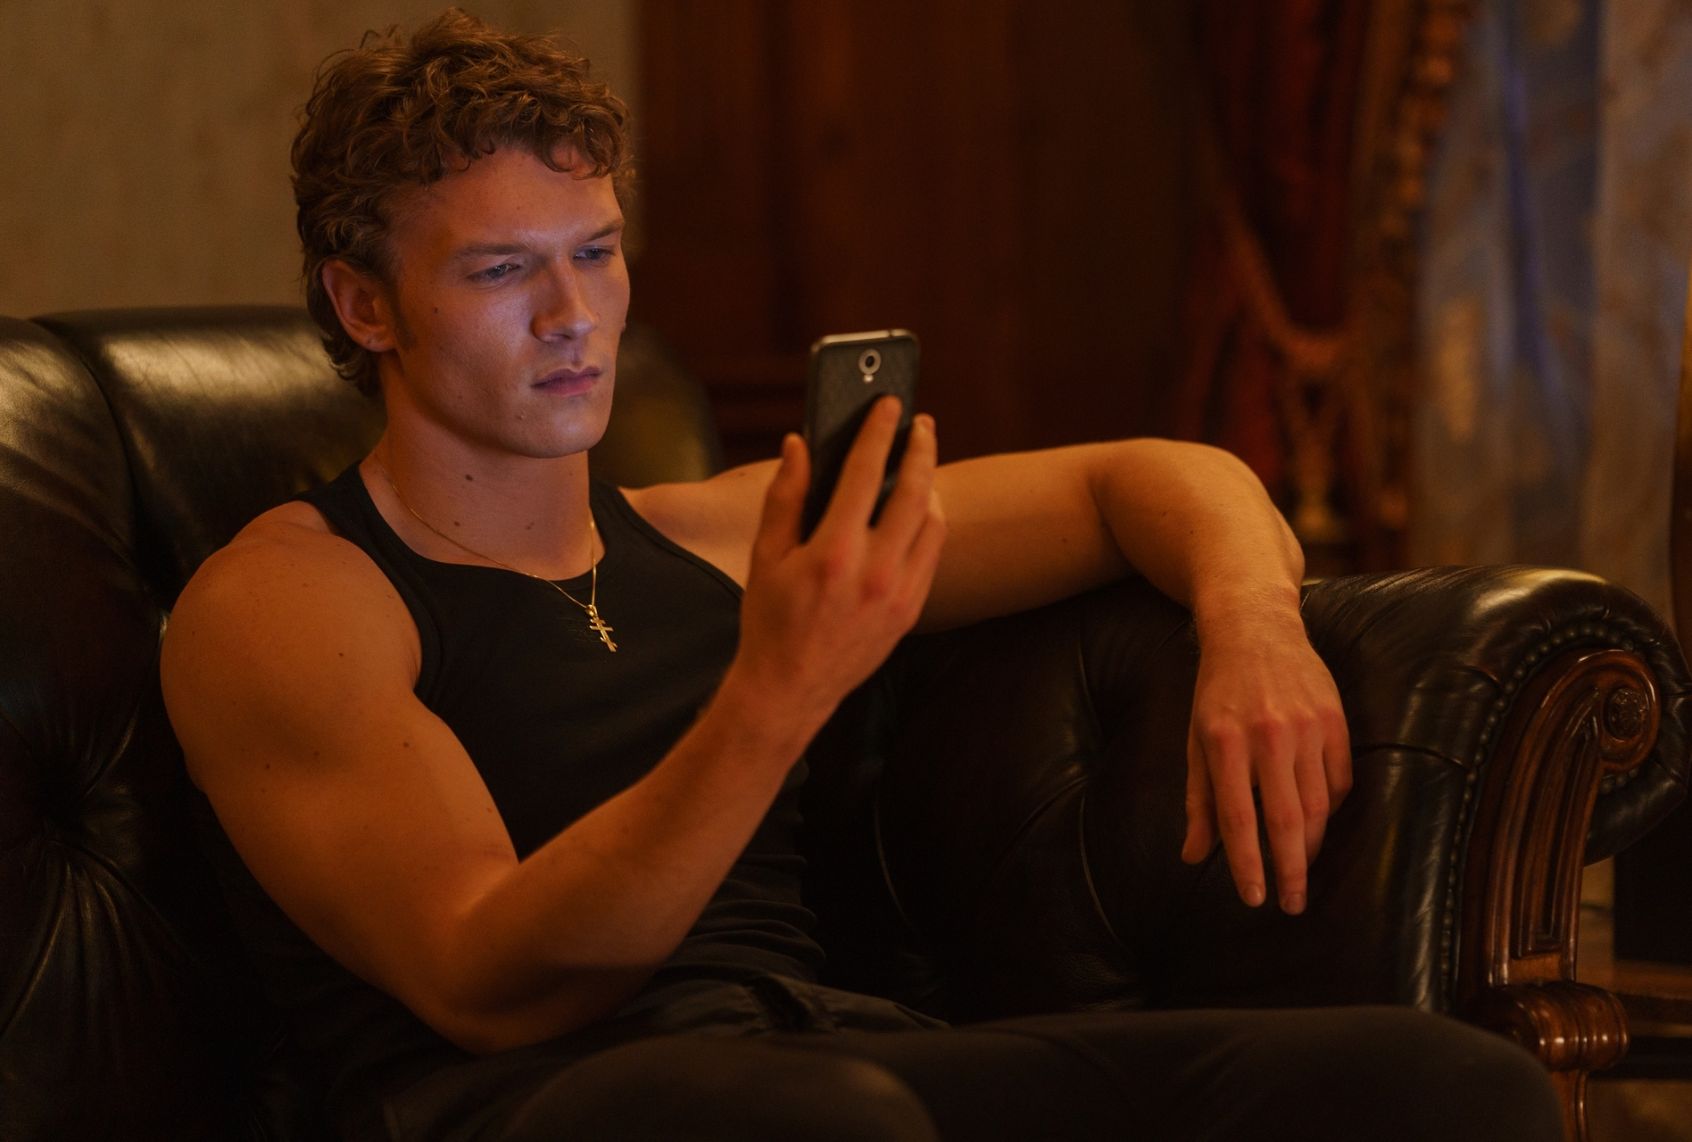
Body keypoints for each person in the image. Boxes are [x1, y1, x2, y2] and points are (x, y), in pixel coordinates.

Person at [160, 10, 1563, 1141]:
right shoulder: (291, 599)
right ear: (364, 303)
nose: (573, 315)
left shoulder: (718, 534)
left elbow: (1144, 478)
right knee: (825, 1120)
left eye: (595, 252)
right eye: (499, 272)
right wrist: (779, 685)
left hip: (823, 1053)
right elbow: (486, 978)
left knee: (1443, 1085)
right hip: (535, 1099)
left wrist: (1256, 627)